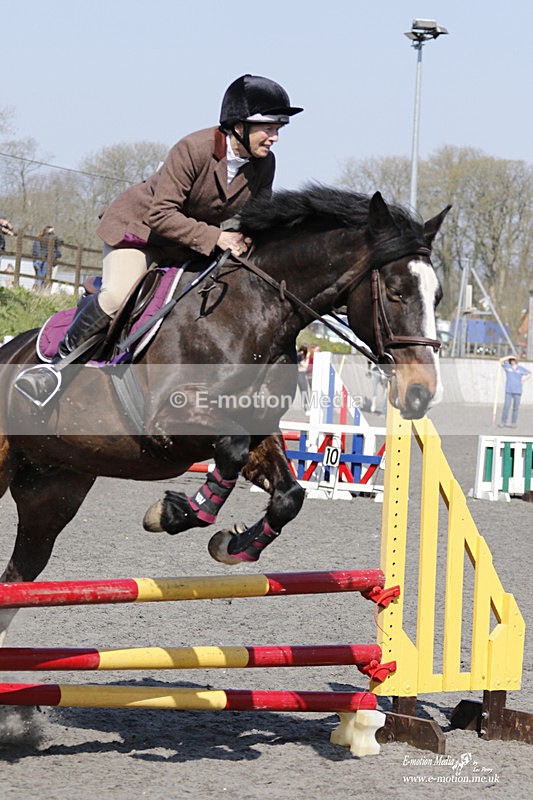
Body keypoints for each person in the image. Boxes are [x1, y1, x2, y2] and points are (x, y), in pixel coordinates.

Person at [16, 74, 303, 405]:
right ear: (239, 124)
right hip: (139, 231)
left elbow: (257, 218)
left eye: (279, 127)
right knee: (117, 296)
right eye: (269, 127)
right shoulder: (193, 149)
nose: (275, 137)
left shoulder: (264, 165)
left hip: (185, 242)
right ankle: (54, 369)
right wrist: (218, 236)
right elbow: (161, 214)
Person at [498, 355, 531, 428]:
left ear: (516, 361)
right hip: (509, 390)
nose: (512, 361)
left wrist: (523, 380)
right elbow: (500, 360)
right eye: (511, 360)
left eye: (513, 360)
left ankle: (513, 422)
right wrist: (509, 356)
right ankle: (503, 421)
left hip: (517, 391)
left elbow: (529, 373)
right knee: (506, 406)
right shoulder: (507, 367)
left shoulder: (520, 369)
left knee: (515, 408)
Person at [297, 345, 310, 411]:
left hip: (301, 374)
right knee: (304, 390)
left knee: (304, 390)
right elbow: (305, 366)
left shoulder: (299, 354)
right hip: (300, 374)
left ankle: (306, 405)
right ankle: (306, 406)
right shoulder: (300, 355)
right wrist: (308, 357)